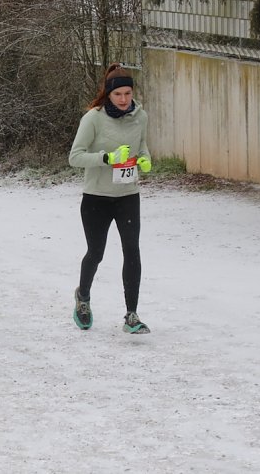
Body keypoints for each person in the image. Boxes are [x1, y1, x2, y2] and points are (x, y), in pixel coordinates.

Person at [68, 62, 152, 334]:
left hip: (128, 195)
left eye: (128, 93)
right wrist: (106, 158)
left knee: (132, 250)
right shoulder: (93, 118)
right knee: (96, 252)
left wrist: (145, 160)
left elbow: (143, 148)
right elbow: (75, 156)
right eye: (119, 94)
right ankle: (83, 297)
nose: (125, 99)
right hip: (97, 197)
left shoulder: (141, 117)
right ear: (108, 94)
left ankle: (131, 315)